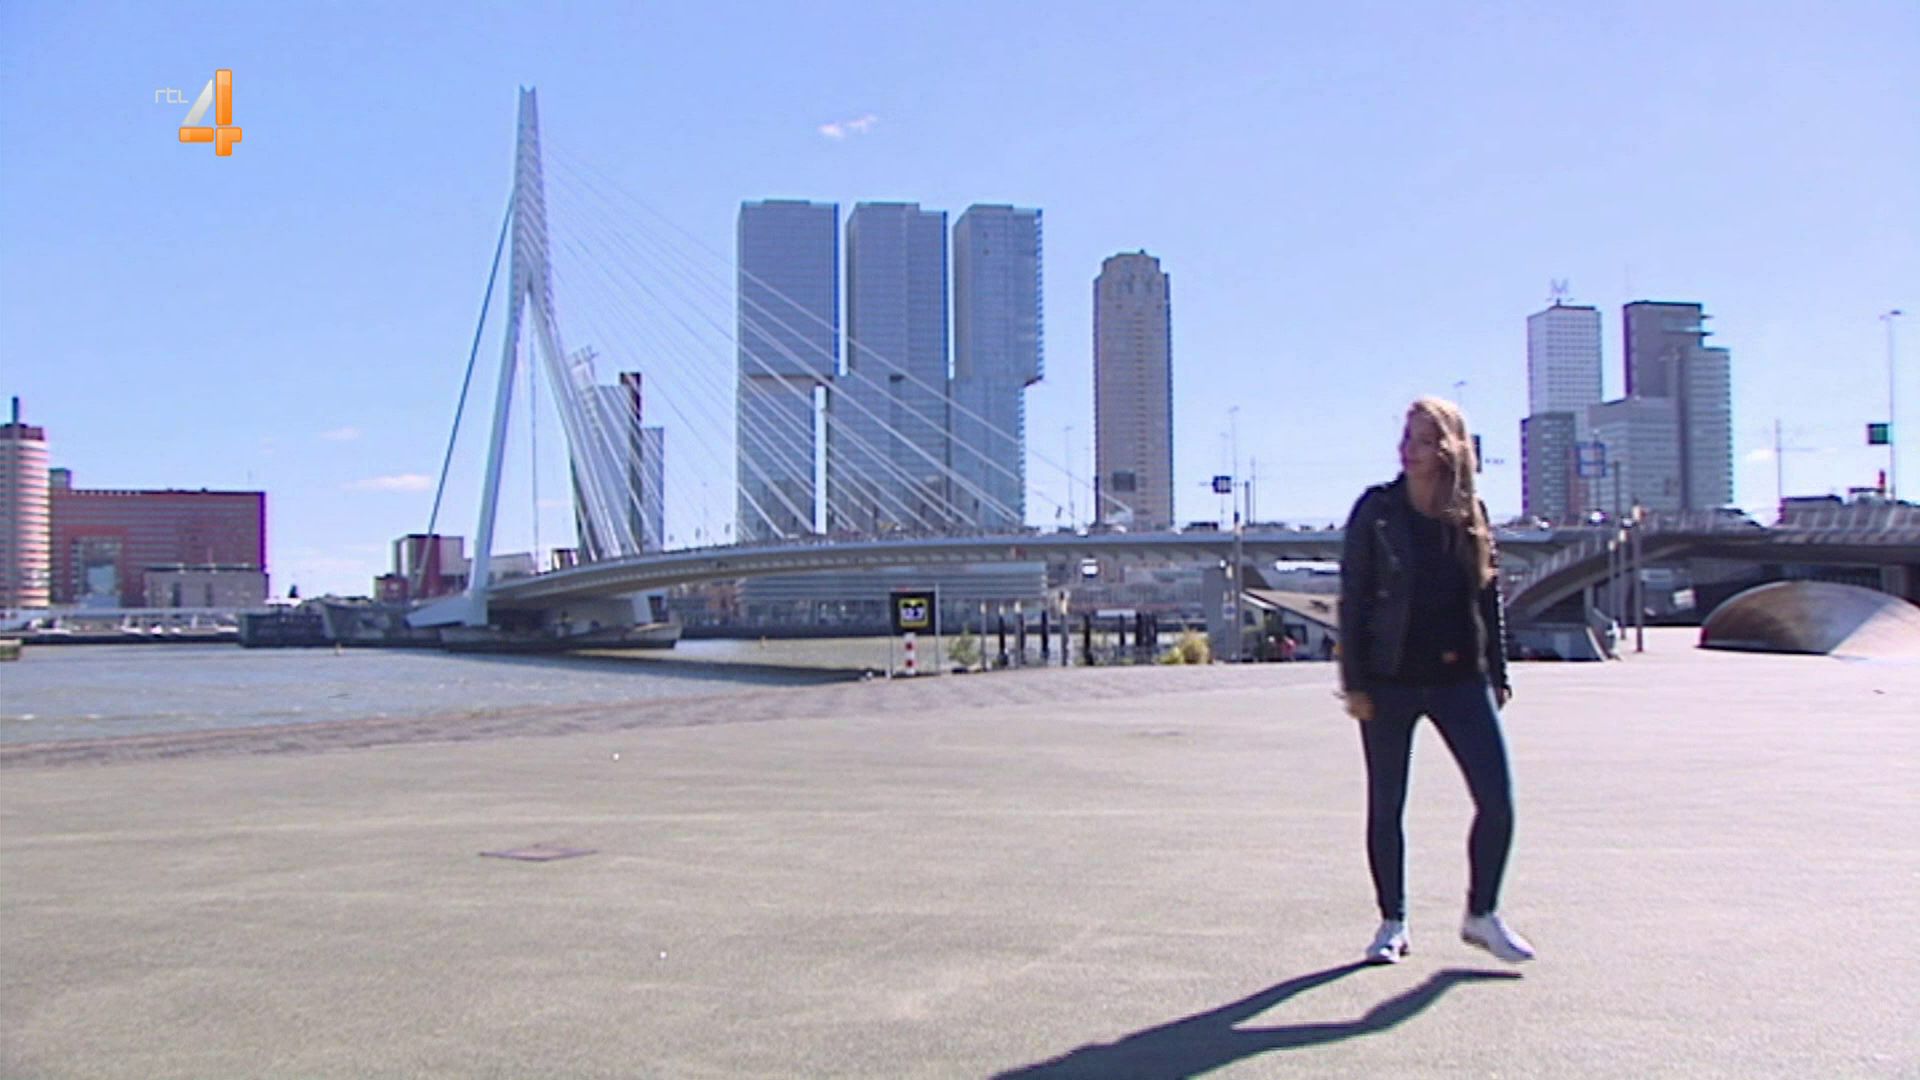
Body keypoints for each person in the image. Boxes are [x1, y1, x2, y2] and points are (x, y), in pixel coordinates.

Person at [1337, 397, 1535, 966]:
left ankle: (1482, 914)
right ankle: (1392, 922)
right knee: (1387, 805)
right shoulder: (1376, 511)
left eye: (1423, 439)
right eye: (1407, 437)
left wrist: (1498, 672)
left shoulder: (1468, 513)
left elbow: (1488, 597)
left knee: (1497, 801)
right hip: (1389, 679)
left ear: (1449, 449)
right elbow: (1354, 598)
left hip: (1460, 679)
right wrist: (1355, 682)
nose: (1409, 449)